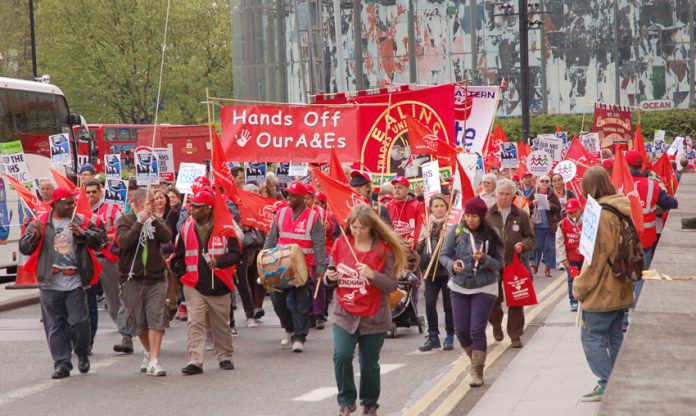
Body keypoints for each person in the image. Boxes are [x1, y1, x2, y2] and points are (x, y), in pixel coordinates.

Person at [324, 204, 406, 416]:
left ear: (371, 227)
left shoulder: (383, 250)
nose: (357, 231)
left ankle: (370, 403)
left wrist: (372, 275)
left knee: (369, 363)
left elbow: (391, 285)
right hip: (345, 313)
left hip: (374, 315)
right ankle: (346, 400)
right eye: (353, 226)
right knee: (341, 356)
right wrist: (329, 277)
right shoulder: (342, 243)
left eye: (361, 227)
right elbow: (330, 272)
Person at [19, 187, 105, 379]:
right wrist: (35, 236)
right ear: (56, 204)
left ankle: (82, 353)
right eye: (68, 204)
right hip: (50, 282)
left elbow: (100, 241)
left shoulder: (81, 221)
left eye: (72, 203)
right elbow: (24, 248)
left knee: (79, 322)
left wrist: (84, 234)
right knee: (55, 325)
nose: (72, 206)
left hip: (75, 280)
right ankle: (62, 363)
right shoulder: (40, 223)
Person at [573, 166, 634, 402]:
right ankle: (619, 379)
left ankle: (608, 383)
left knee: (592, 337)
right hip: (622, 284)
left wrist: (580, 286)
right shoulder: (621, 206)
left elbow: (596, 257)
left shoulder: (599, 213)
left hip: (602, 289)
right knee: (616, 334)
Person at [172, 189, 241, 375]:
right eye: (191, 205)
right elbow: (178, 257)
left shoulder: (226, 228)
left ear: (209, 208)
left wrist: (219, 262)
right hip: (193, 284)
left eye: (196, 206)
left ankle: (225, 356)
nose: (191, 209)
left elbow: (236, 254)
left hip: (220, 284)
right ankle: (195, 360)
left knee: (221, 324)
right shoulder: (186, 228)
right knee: (195, 322)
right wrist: (181, 276)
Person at [440, 196, 504, 387]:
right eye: (467, 216)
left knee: (476, 329)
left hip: (484, 286)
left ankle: (477, 371)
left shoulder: (492, 233)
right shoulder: (457, 230)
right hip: (459, 286)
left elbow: (500, 263)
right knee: (461, 331)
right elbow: (444, 255)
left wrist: (484, 259)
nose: (470, 220)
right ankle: (475, 358)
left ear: (482, 216)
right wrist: (453, 265)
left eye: (474, 216)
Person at [263, 181, 326, 352]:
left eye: (291, 195)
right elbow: (271, 238)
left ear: (302, 197)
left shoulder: (313, 217)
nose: (288, 198)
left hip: (302, 268)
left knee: (301, 302)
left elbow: (319, 243)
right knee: (277, 300)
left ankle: (299, 337)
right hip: (279, 266)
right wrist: (263, 261)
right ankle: (288, 328)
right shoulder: (281, 214)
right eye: (287, 194)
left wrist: (321, 267)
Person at [116, 189, 173, 376]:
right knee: (139, 321)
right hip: (133, 278)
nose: (154, 204)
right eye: (149, 201)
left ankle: (155, 360)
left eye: (155, 201)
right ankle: (148, 352)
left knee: (156, 318)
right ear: (138, 203)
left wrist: (154, 220)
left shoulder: (156, 219)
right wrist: (139, 223)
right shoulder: (125, 220)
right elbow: (124, 243)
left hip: (156, 278)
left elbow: (167, 237)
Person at [83, 180, 133, 353]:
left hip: (107, 259)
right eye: (87, 192)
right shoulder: (79, 211)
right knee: (88, 302)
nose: (91, 195)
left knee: (115, 298)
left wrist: (109, 238)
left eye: (94, 192)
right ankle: (86, 342)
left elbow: (122, 231)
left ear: (100, 192)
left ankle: (126, 335)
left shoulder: (112, 210)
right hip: (87, 260)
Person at [486, 179, 536, 348]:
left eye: (507, 194)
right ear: (495, 194)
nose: (504, 197)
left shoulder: (521, 215)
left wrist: (523, 245)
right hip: (492, 265)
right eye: (500, 194)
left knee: (516, 301)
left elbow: (531, 238)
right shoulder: (486, 215)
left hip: (515, 264)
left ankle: (515, 334)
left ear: (513, 195)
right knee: (493, 299)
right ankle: (495, 324)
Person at [625, 150, 677, 297]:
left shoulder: (618, 185)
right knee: (642, 278)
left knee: (623, 279)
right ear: (641, 165)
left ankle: (623, 319)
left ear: (626, 165)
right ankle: (638, 314)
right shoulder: (651, 185)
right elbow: (672, 203)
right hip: (645, 240)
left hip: (622, 241)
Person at [416, 193, 454, 351]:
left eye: (442, 206)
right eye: (435, 206)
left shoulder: (452, 225)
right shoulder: (427, 224)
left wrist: (449, 237)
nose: (439, 209)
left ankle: (450, 336)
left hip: (446, 272)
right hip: (430, 271)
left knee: (448, 305)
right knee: (430, 303)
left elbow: (458, 248)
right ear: (430, 208)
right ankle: (433, 336)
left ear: (447, 207)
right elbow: (418, 250)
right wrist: (424, 238)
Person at [529, 175, 561, 277]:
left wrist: (550, 205)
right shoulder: (534, 192)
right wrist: (532, 203)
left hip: (549, 225)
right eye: (542, 181)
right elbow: (525, 203)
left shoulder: (552, 194)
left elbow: (558, 208)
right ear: (538, 182)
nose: (544, 183)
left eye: (547, 181)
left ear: (549, 183)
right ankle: (536, 264)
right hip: (537, 224)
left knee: (549, 247)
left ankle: (548, 268)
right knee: (537, 247)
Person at [555, 198, 583, 312]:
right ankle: (574, 301)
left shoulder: (587, 221)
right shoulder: (562, 225)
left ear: (580, 210)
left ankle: (585, 298)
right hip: (571, 259)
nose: (572, 214)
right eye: (569, 212)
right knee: (572, 279)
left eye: (574, 211)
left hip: (584, 258)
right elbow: (559, 242)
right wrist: (563, 258)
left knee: (585, 278)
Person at [385, 176, 423, 247]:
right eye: (395, 187)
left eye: (400, 188)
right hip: (392, 246)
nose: (396, 190)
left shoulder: (417, 205)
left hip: (411, 247)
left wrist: (414, 243)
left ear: (408, 190)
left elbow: (419, 227)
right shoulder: (387, 206)